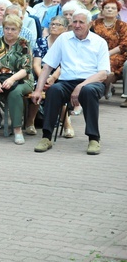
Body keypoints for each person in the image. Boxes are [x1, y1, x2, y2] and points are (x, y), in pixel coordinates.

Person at [32, 9, 109, 155]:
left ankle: (94, 138)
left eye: (81, 22)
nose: (77, 25)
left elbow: (103, 73)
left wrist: (81, 86)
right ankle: (46, 137)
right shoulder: (63, 39)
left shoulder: (99, 42)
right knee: (54, 90)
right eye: (74, 21)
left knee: (88, 90)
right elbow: (48, 66)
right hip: (67, 82)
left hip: (92, 82)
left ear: (90, 24)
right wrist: (38, 90)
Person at [0, 15, 33, 144]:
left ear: (19, 30)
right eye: (7, 28)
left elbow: (26, 68)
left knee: (15, 93)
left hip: (22, 79)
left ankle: (17, 130)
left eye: (13, 29)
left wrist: (12, 79)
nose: (9, 32)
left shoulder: (24, 44)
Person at [25, 16, 71, 137]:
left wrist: (53, 78)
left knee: (58, 90)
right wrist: (44, 79)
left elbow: (65, 64)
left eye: (57, 24)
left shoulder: (68, 44)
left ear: (65, 29)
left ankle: (66, 124)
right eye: (52, 24)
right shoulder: (41, 41)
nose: (53, 26)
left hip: (60, 76)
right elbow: (36, 64)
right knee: (37, 87)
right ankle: (30, 121)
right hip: (41, 75)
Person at [91, 0, 127, 101]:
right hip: (95, 52)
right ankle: (102, 86)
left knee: (109, 62)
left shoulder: (122, 26)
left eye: (113, 8)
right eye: (107, 8)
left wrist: (107, 53)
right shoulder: (94, 24)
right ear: (102, 10)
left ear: (118, 11)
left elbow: (124, 44)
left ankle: (105, 85)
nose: (110, 10)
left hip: (116, 53)